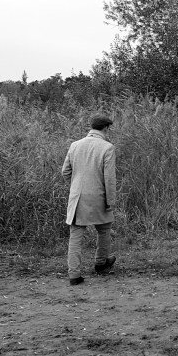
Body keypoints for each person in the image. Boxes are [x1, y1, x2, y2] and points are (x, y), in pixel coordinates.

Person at [62, 114, 118, 285]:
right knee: (104, 228)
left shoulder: (75, 145)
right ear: (106, 128)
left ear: (92, 127)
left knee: (76, 236)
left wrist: (77, 185)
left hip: (77, 197)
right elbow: (109, 179)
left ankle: (74, 275)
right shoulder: (107, 148)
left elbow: (65, 172)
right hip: (99, 196)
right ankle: (101, 263)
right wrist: (110, 202)